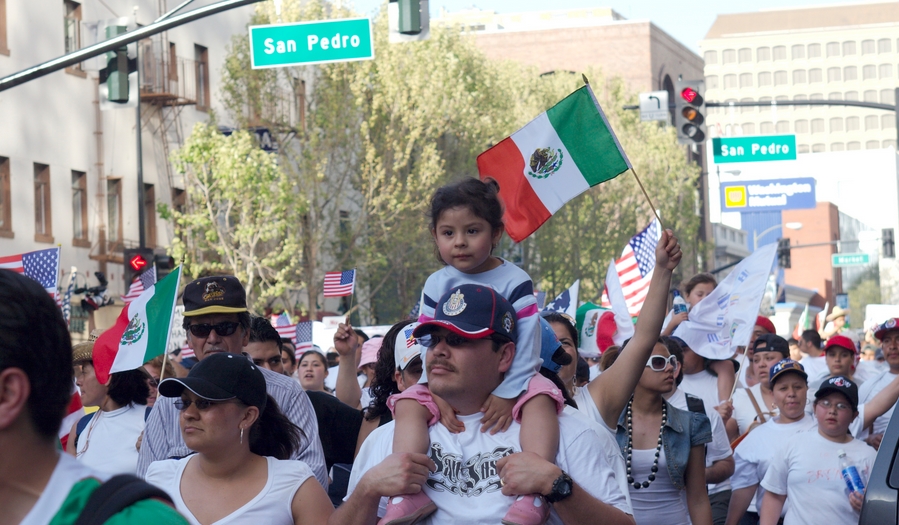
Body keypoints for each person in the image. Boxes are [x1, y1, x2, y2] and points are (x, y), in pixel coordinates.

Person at [335, 284, 634, 525]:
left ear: (504, 355)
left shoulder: (570, 432)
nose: (439, 351)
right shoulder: (389, 438)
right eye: (434, 340)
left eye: (458, 340)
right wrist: (367, 489)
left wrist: (556, 486)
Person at [386, 178, 565, 525]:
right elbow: (429, 341)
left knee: (542, 399)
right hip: (445, 379)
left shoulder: (515, 279)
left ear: (496, 232)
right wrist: (430, 390)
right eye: (448, 233)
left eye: (472, 230)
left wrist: (509, 392)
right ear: (435, 236)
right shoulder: (436, 283)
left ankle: (533, 495)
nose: (460, 243)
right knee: (408, 402)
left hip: (520, 373)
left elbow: (526, 341)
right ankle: (406, 493)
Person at [0, 269, 188, 525]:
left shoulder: (141, 520)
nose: (78, 380)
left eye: (87, 370)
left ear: (8, 394)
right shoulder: (84, 425)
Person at [136, 275, 327, 488]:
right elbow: (146, 489)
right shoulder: (167, 403)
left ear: (245, 335)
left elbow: (313, 478)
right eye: (201, 329)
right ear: (188, 339)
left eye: (225, 327)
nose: (212, 338)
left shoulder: (287, 392)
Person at [146, 353, 333, 524]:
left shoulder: (295, 484)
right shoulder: (159, 477)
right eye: (185, 403)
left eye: (204, 403)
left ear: (247, 417)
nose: (189, 414)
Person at [605, 339, 713, 525]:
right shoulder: (608, 422)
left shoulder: (690, 423)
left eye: (671, 361)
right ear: (634, 367)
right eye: (658, 362)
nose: (669, 368)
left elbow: (698, 499)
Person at [759, 375, 876, 525]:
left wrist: (868, 507)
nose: (832, 411)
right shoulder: (794, 444)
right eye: (826, 403)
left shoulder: (868, 455)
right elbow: (775, 494)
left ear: (854, 416)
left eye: (842, 406)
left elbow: (879, 507)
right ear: (814, 408)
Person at [726, 359, 816, 525]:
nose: (791, 393)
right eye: (783, 388)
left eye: (797, 387)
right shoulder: (757, 438)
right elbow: (743, 490)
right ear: (773, 394)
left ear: (806, 390)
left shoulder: (823, 431)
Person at [664, 337, 734, 525]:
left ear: (674, 367)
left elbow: (726, 464)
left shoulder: (700, 412)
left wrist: (697, 475)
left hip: (705, 503)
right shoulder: (623, 413)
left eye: (656, 362)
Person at [66, 335, 151, 476]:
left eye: (84, 373)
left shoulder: (151, 421)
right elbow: (70, 485)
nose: (78, 381)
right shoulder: (80, 428)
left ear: (106, 377)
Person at [729, 335, 788, 442]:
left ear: (787, 360)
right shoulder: (741, 396)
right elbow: (726, 443)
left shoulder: (807, 396)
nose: (761, 364)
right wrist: (721, 420)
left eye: (769, 358)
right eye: (756, 360)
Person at [856, 317, 899, 449]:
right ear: (882, 348)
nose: (893, 346)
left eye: (898, 339)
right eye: (887, 341)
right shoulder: (869, 386)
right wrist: (869, 439)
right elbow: (856, 429)